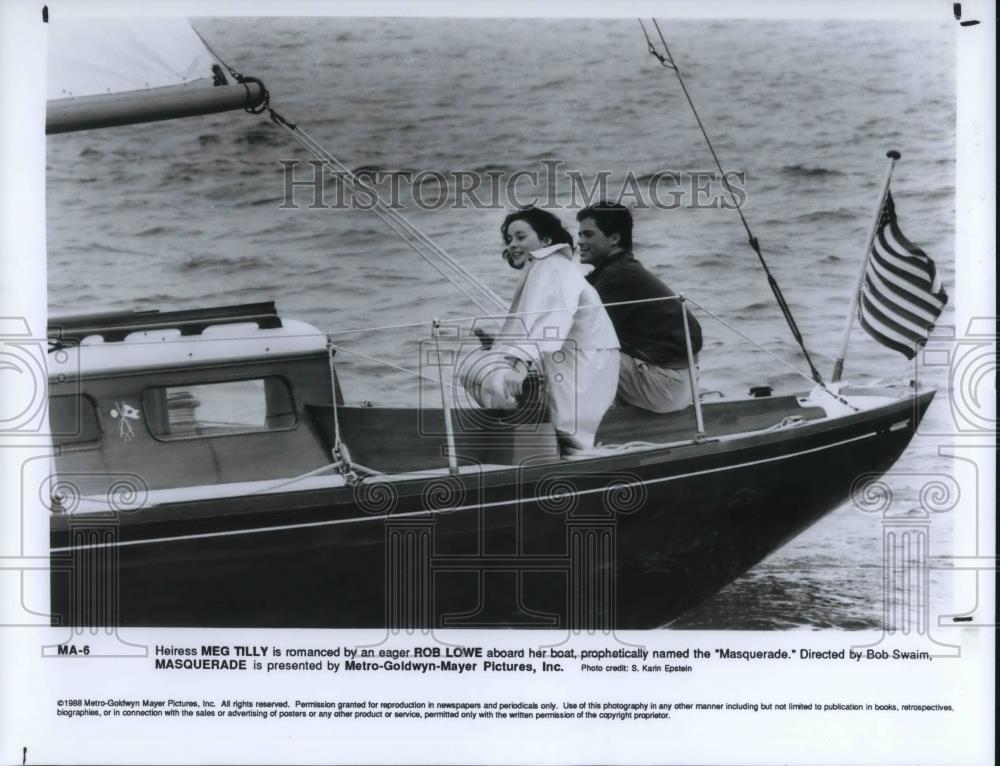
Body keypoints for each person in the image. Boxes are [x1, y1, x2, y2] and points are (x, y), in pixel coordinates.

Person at [461, 207, 619, 453]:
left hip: (582, 364)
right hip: (572, 357)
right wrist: (501, 348)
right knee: (485, 367)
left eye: (521, 237)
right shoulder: (545, 266)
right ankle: (524, 440)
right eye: (509, 239)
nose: (513, 244)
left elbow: (553, 322)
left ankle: (528, 444)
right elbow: (539, 324)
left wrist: (521, 366)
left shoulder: (553, 267)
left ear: (546, 240)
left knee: (480, 372)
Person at [576, 202, 702, 413]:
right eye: (579, 235)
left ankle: (557, 430)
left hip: (664, 386)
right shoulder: (620, 269)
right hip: (679, 383)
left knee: (567, 356)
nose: (580, 242)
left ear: (614, 238)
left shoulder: (617, 276)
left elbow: (580, 333)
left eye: (588, 235)